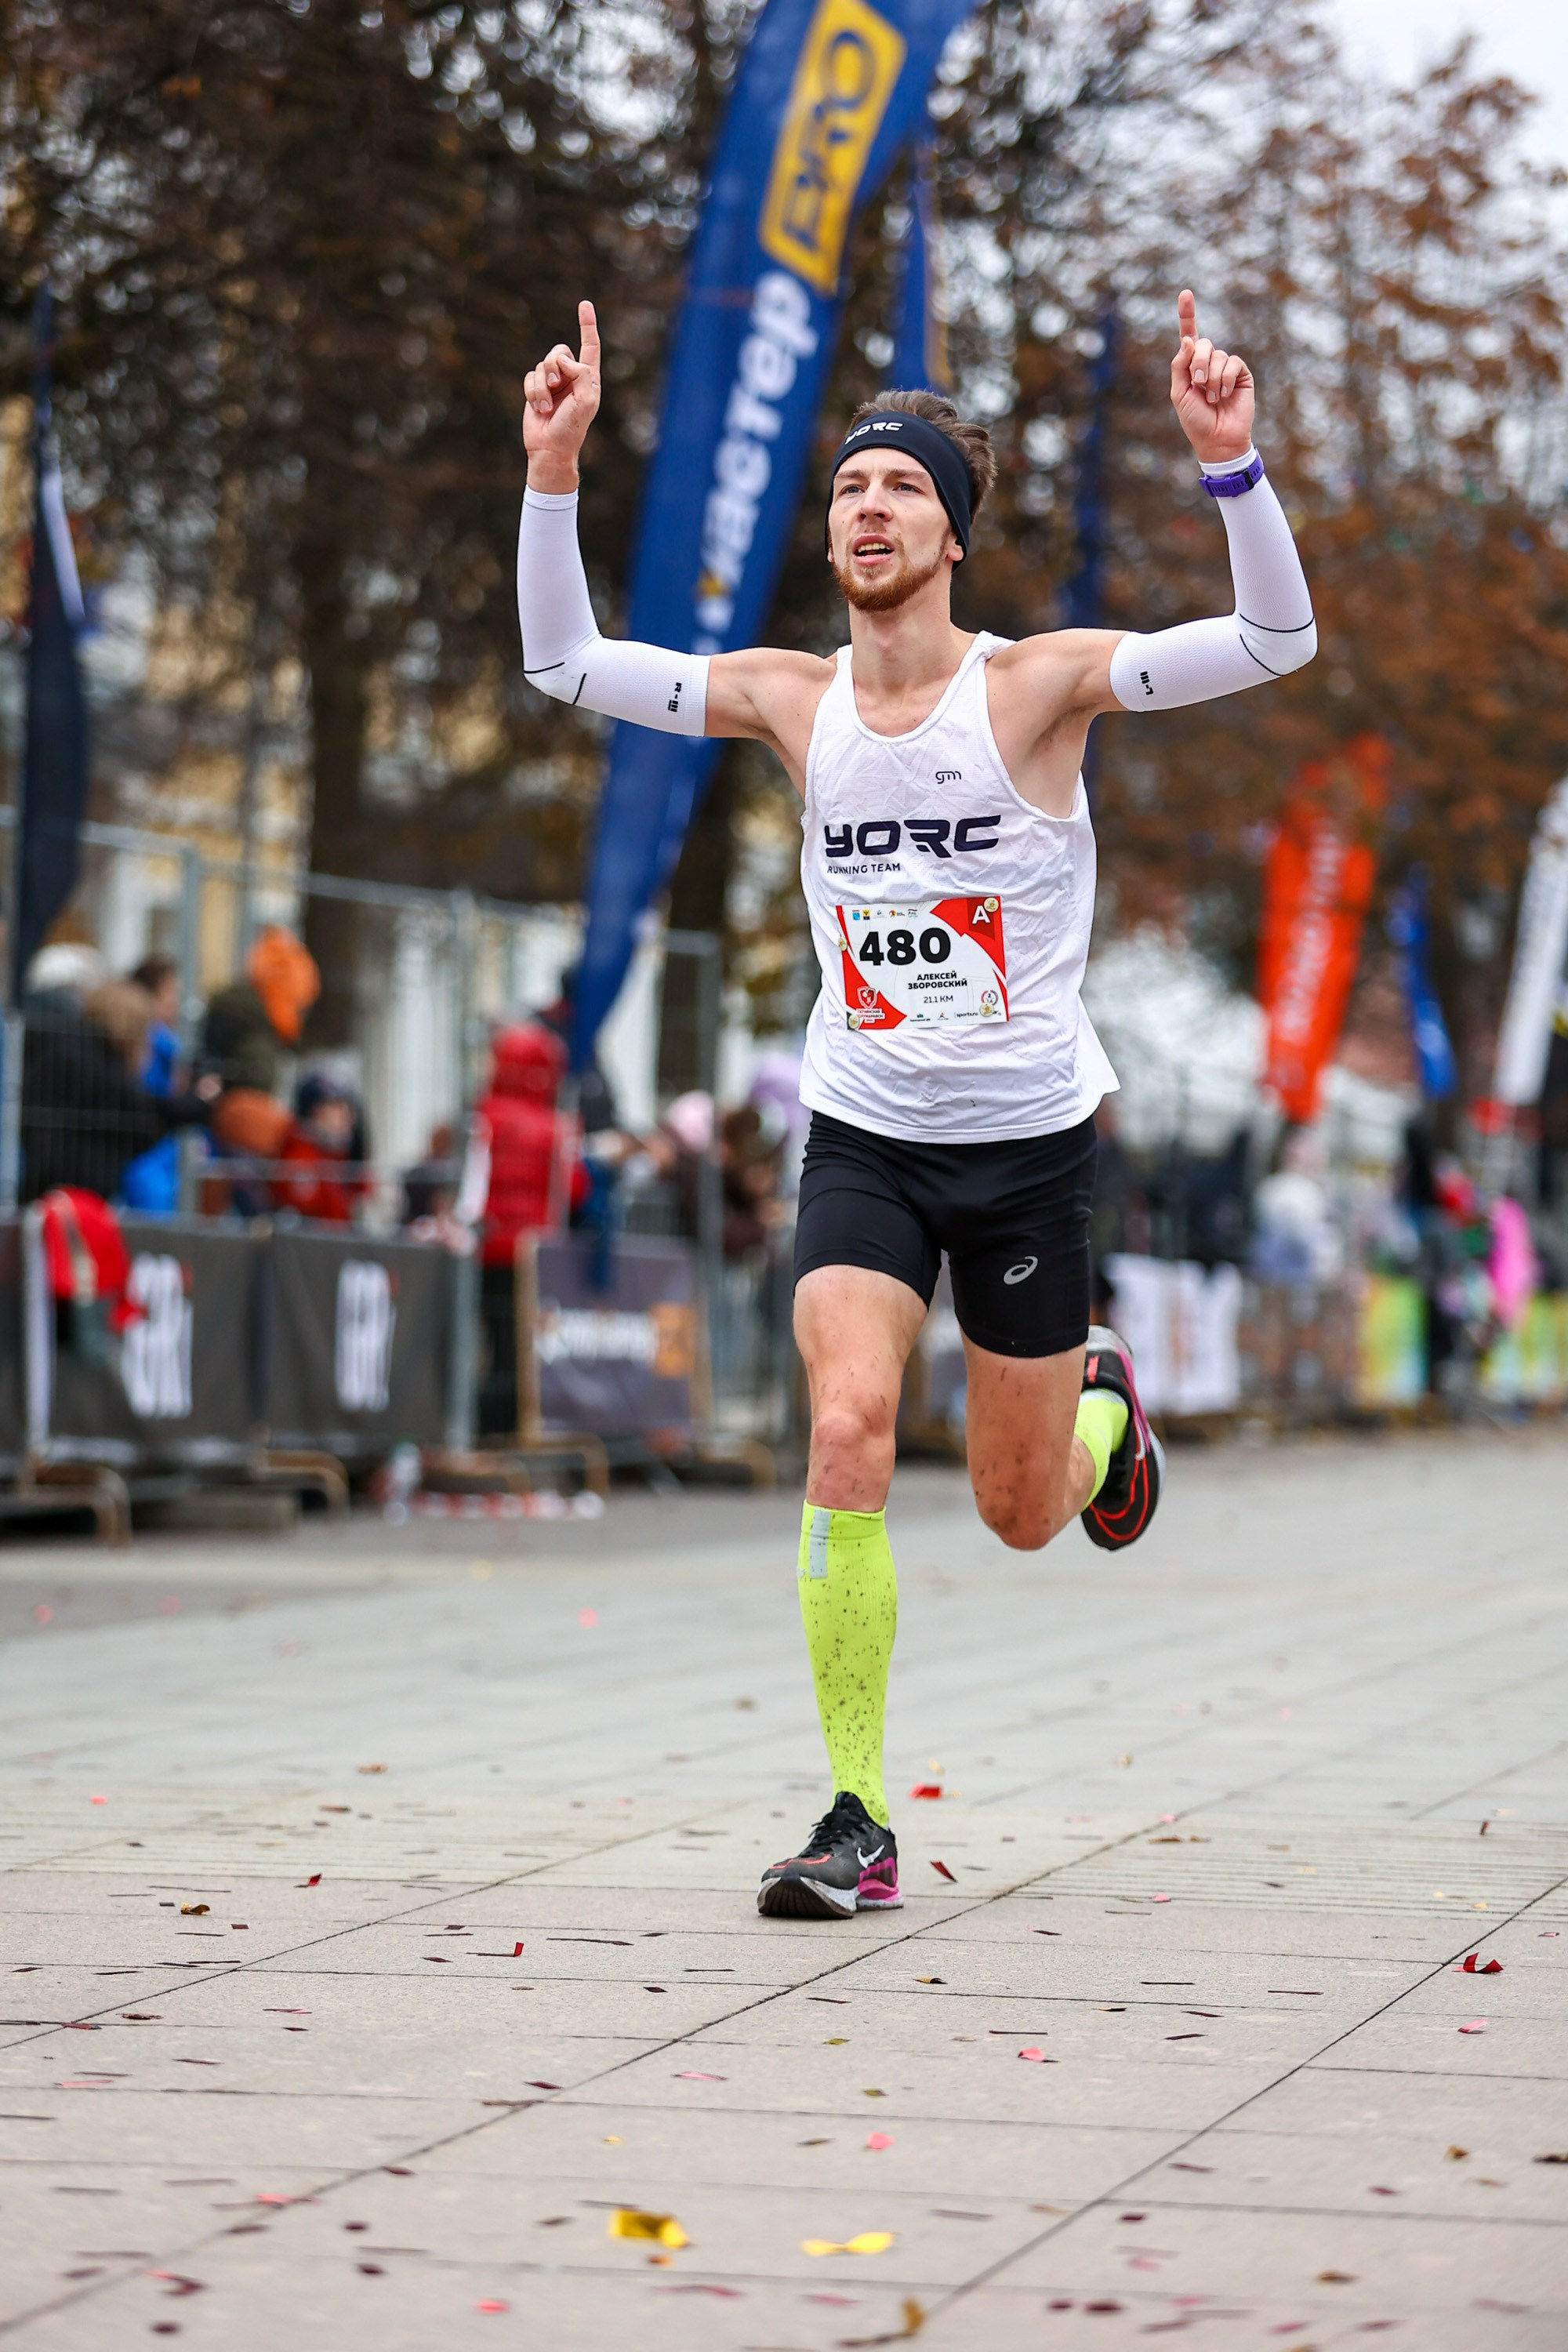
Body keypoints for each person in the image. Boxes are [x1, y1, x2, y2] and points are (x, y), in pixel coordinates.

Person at [517, 289, 1316, 1918]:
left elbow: (1271, 645)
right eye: (846, 492)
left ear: (949, 536)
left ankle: (1100, 1418)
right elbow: (561, 660)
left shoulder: (1036, 689)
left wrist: (1232, 474)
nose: (863, 509)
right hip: (868, 1133)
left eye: (895, 491)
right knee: (846, 1428)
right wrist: (553, 471)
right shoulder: (787, 700)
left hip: (1025, 1155)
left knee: (1027, 1516)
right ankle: (857, 1815)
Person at [19, 944, 212, 1204]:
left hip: (64, 1189)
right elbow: (134, 1108)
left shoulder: (78, 1051)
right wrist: (195, 1103)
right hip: (69, 1194)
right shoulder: (85, 1059)